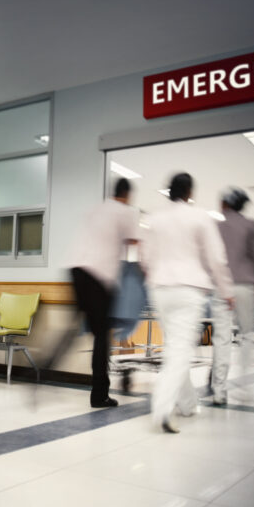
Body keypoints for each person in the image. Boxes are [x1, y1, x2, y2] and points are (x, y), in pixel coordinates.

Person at [141, 173, 234, 433]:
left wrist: (155, 275)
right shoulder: (200, 217)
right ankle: (162, 408)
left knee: (174, 347)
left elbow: (144, 257)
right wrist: (226, 289)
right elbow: (216, 258)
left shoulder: (154, 219)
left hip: (159, 289)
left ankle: (187, 404)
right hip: (189, 289)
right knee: (180, 351)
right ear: (189, 192)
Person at [52, 177, 139, 408]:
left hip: (75, 270)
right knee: (102, 336)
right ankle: (99, 395)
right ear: (127, 195)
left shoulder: (95, 210)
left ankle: (45, 364)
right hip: (98, 276)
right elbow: (136, 241)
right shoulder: (125, 211)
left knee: (76, 328)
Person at [209, 187, 254, 405]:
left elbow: (212, 258)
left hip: (221, 286)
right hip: (245, 286)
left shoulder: (217, 227)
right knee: (248, 334)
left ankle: (219, 390)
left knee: (221, 338)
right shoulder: (252, 225)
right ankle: (244, 383)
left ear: (226, 204)